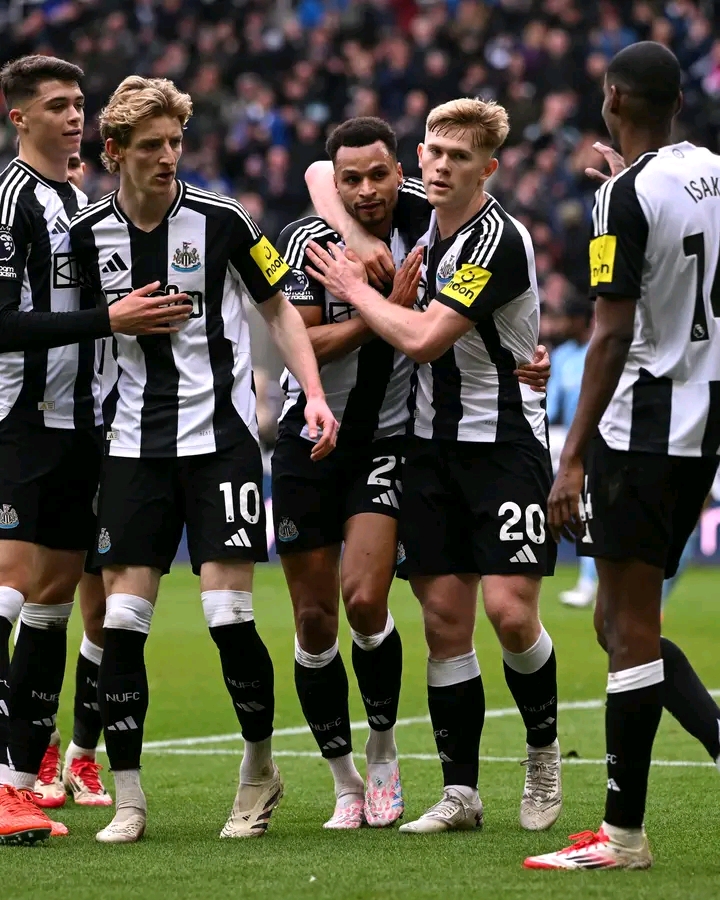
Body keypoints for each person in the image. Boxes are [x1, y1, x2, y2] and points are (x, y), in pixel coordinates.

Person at [70, 76, 337, 844]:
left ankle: (259, 769)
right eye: (150, 146)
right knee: (122, 620)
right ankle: (128, 798)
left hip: (218, 445)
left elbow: (279, 309)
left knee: (228, 615)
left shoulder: (220, 219)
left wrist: (310, 394)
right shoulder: (87, 234)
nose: (167, 157)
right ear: (114, 151)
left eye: (175, 143)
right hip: (129, 450)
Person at [305, 98, 562, 834]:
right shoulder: (419, 211)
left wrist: (357, 290)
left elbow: (423, 340)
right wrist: (358, 237)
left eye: (460, 157)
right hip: (427, 452)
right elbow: (324, 169)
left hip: (504, 446)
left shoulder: (494, 240)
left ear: (490, 167)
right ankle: (461, 793)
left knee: (510, 616)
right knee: (446, 623)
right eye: (435, 152)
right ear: (419, 158)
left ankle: (543, 755)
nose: (443, 166)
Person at [525, 42, 720, 871]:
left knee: (630, 626)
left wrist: (570, 461)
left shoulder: (621, 197)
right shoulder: (710, 170)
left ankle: (622, 836)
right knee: (614, 620)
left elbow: (608, 331)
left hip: (641, 429)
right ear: (676, 101)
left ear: (611, 100)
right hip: (703, 423)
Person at [0, 56, 191, 846]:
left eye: (80, 103)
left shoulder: (78, 201)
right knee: (11, 590)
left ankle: (21, 780)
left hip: (87, 424)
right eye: (57, 105)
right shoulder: (11, 200)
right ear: (19, 117)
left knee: (49, 599)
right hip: (23, 416)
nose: (74, 116)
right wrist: (107, 323)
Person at [33, 152, 111, 810]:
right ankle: (40, 743)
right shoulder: (34, 229)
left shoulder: (112, 234)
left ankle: (83, 754)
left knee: (106, 611)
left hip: (114, 435)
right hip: (44, 431)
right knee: (38, 597)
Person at [545, 295, 599, 608]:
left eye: (567, 318)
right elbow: (551, 407)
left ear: (583, 320)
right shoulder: (563, 355)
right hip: (566, 438)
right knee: (581, 506)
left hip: (600, 437)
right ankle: (586, 580)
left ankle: (589, 581)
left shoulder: (599, 350)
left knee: (591, 508)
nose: (562, 325)